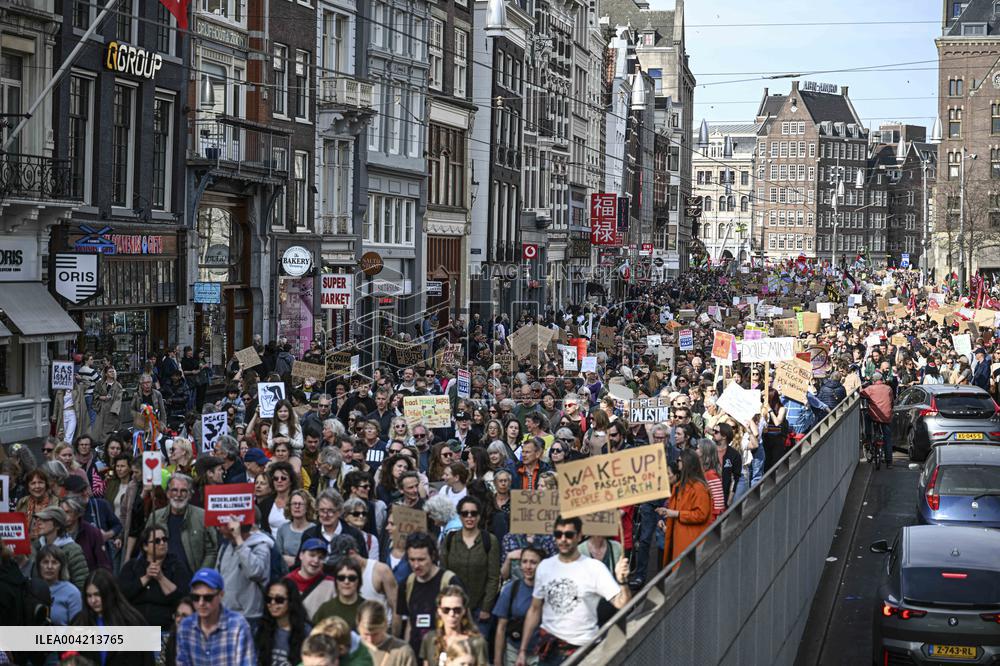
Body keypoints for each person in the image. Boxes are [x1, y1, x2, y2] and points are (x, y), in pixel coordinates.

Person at [515, 516, 630, 666]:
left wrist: (623, 581)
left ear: (579, 536)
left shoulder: (594, 568)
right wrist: (522, 651)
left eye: (569, 535)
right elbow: (535, 609)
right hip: (549, 651)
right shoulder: (544, 567)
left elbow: (622, 603)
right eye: (558, 534)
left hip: (583, 651)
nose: (563, 539)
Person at [395, 532, 464, 654]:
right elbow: (410, 623)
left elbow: (463, 622)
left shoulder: (449, 581)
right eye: (412, 560)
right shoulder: (407, 584)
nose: (416, 565)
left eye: (421, 560)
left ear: (432, 556)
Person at [146, 473, 219, 589]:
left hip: (192, 583)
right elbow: (146, 548)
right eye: (174, 490)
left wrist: (200, 577)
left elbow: (212, 550)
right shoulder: (155, 517)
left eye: (183, 491)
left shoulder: (202, 516)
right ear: (168, 494)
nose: (178, 495)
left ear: (190, 495)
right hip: (161, 581)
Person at [440, 496, 500, 637]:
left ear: (479, 516)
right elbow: (443, 574)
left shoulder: (490, 541)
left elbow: (493, 578)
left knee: (477, 651)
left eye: (473, 513)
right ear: (459, 516)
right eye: (465, 513)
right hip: (454, 608)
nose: (469, 517)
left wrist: (486, 608)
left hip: (479, 608)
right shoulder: (450, 539)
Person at [72, 568, 155, 666]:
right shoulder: (79, 621)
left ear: (109, 593)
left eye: (97, 594)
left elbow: (146, 659)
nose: (93, 600)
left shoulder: (131, 621)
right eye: (89, 596)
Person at [176, 567, 257, 665]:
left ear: (221, 595)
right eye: (196, 597)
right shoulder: (185, 627)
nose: (201, 603)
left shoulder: (238, 626)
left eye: (208, 598)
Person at [119, 525, 185, 629]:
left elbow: (182, 599)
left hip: (165, 628)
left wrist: (161, 578)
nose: (162, 543)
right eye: (157, 541)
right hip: (134, 628)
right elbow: (121, 594)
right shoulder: (132, 567)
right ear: (145, 546)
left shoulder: (176, 566)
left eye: (164, 539)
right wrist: (146, 577)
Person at [216, 512, 273, 628]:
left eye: (222, 523)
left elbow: (255, 572)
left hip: (249, 618)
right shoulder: (225, 546)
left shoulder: (261, 545)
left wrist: (238, 539)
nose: (217, 527)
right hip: (224, 614)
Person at [659, 449, 713, 569]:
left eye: (679, 460)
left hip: (690, 542)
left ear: (686, 463)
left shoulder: (699, 488)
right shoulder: (680, 486)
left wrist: (676, 514)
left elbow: (701, 514)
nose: (677, 462)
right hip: (680, 540)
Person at [493, 546, 543, 666]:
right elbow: (501, 628)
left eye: (533, 562)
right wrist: (497, 660)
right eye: (524, 561)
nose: (528, 567)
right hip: (513, 652)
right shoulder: (511, 589)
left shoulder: (547, 590)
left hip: (541, 653)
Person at [419, 586, 489, 666]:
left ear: (463, 611)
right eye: (446, 610)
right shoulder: (430, 639)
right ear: (439, 611)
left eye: (457, 610)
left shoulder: (477, 642)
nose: (451, 614)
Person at [257, 578, 311, 666]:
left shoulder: (306, 632)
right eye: (268, 599)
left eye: (279, 600)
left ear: (291, 602)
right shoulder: (262, 628)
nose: (273, 603)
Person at [286, 538, 338, 621]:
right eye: (312, 555)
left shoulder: (332, 584)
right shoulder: (286, 582)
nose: (316, 560)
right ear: (301, 555)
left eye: (321, 557)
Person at [357, 600, 417, 666]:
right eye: (366, 634)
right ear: (358, 627)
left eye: (375, 634)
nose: (370, 640)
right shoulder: (351, 651)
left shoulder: (402, 652)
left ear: (385, 626)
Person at [34, 544, 82, 625]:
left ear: (61, 567)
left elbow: (78, 628)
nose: (49, 567)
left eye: (54, 562)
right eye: (45, 562)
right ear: (39, 566)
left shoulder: (72, 593)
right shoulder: (31, 589)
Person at [313, 556, 364, 628]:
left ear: (359, 581)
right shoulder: (325, 609)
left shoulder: (368, 608)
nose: (346, 582)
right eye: (341, 578)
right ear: (336, 581)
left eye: (352, 578)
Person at [861, 371, 895, 467]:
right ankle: (889, 462)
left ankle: (868, 439)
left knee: (866, 417)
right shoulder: (888, 388)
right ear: (882, 379)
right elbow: (892, 401)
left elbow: (861, 394)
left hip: (874, 415)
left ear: (873, 380)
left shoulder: (870, 388)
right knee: (887, 438)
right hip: (886, 416)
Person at [93, 365, 124, 441]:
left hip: (112, 411)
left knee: (110, 430)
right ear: (106, 374)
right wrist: (100, 397)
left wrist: (114, 411)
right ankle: (101, 445)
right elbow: (95, 393)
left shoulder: (118, 386)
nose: (112, 373)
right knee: (100, 429)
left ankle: (107, 444)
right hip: (102, 411)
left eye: (113, 371)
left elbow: (118, 399)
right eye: (110, 372)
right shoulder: (100, 384)